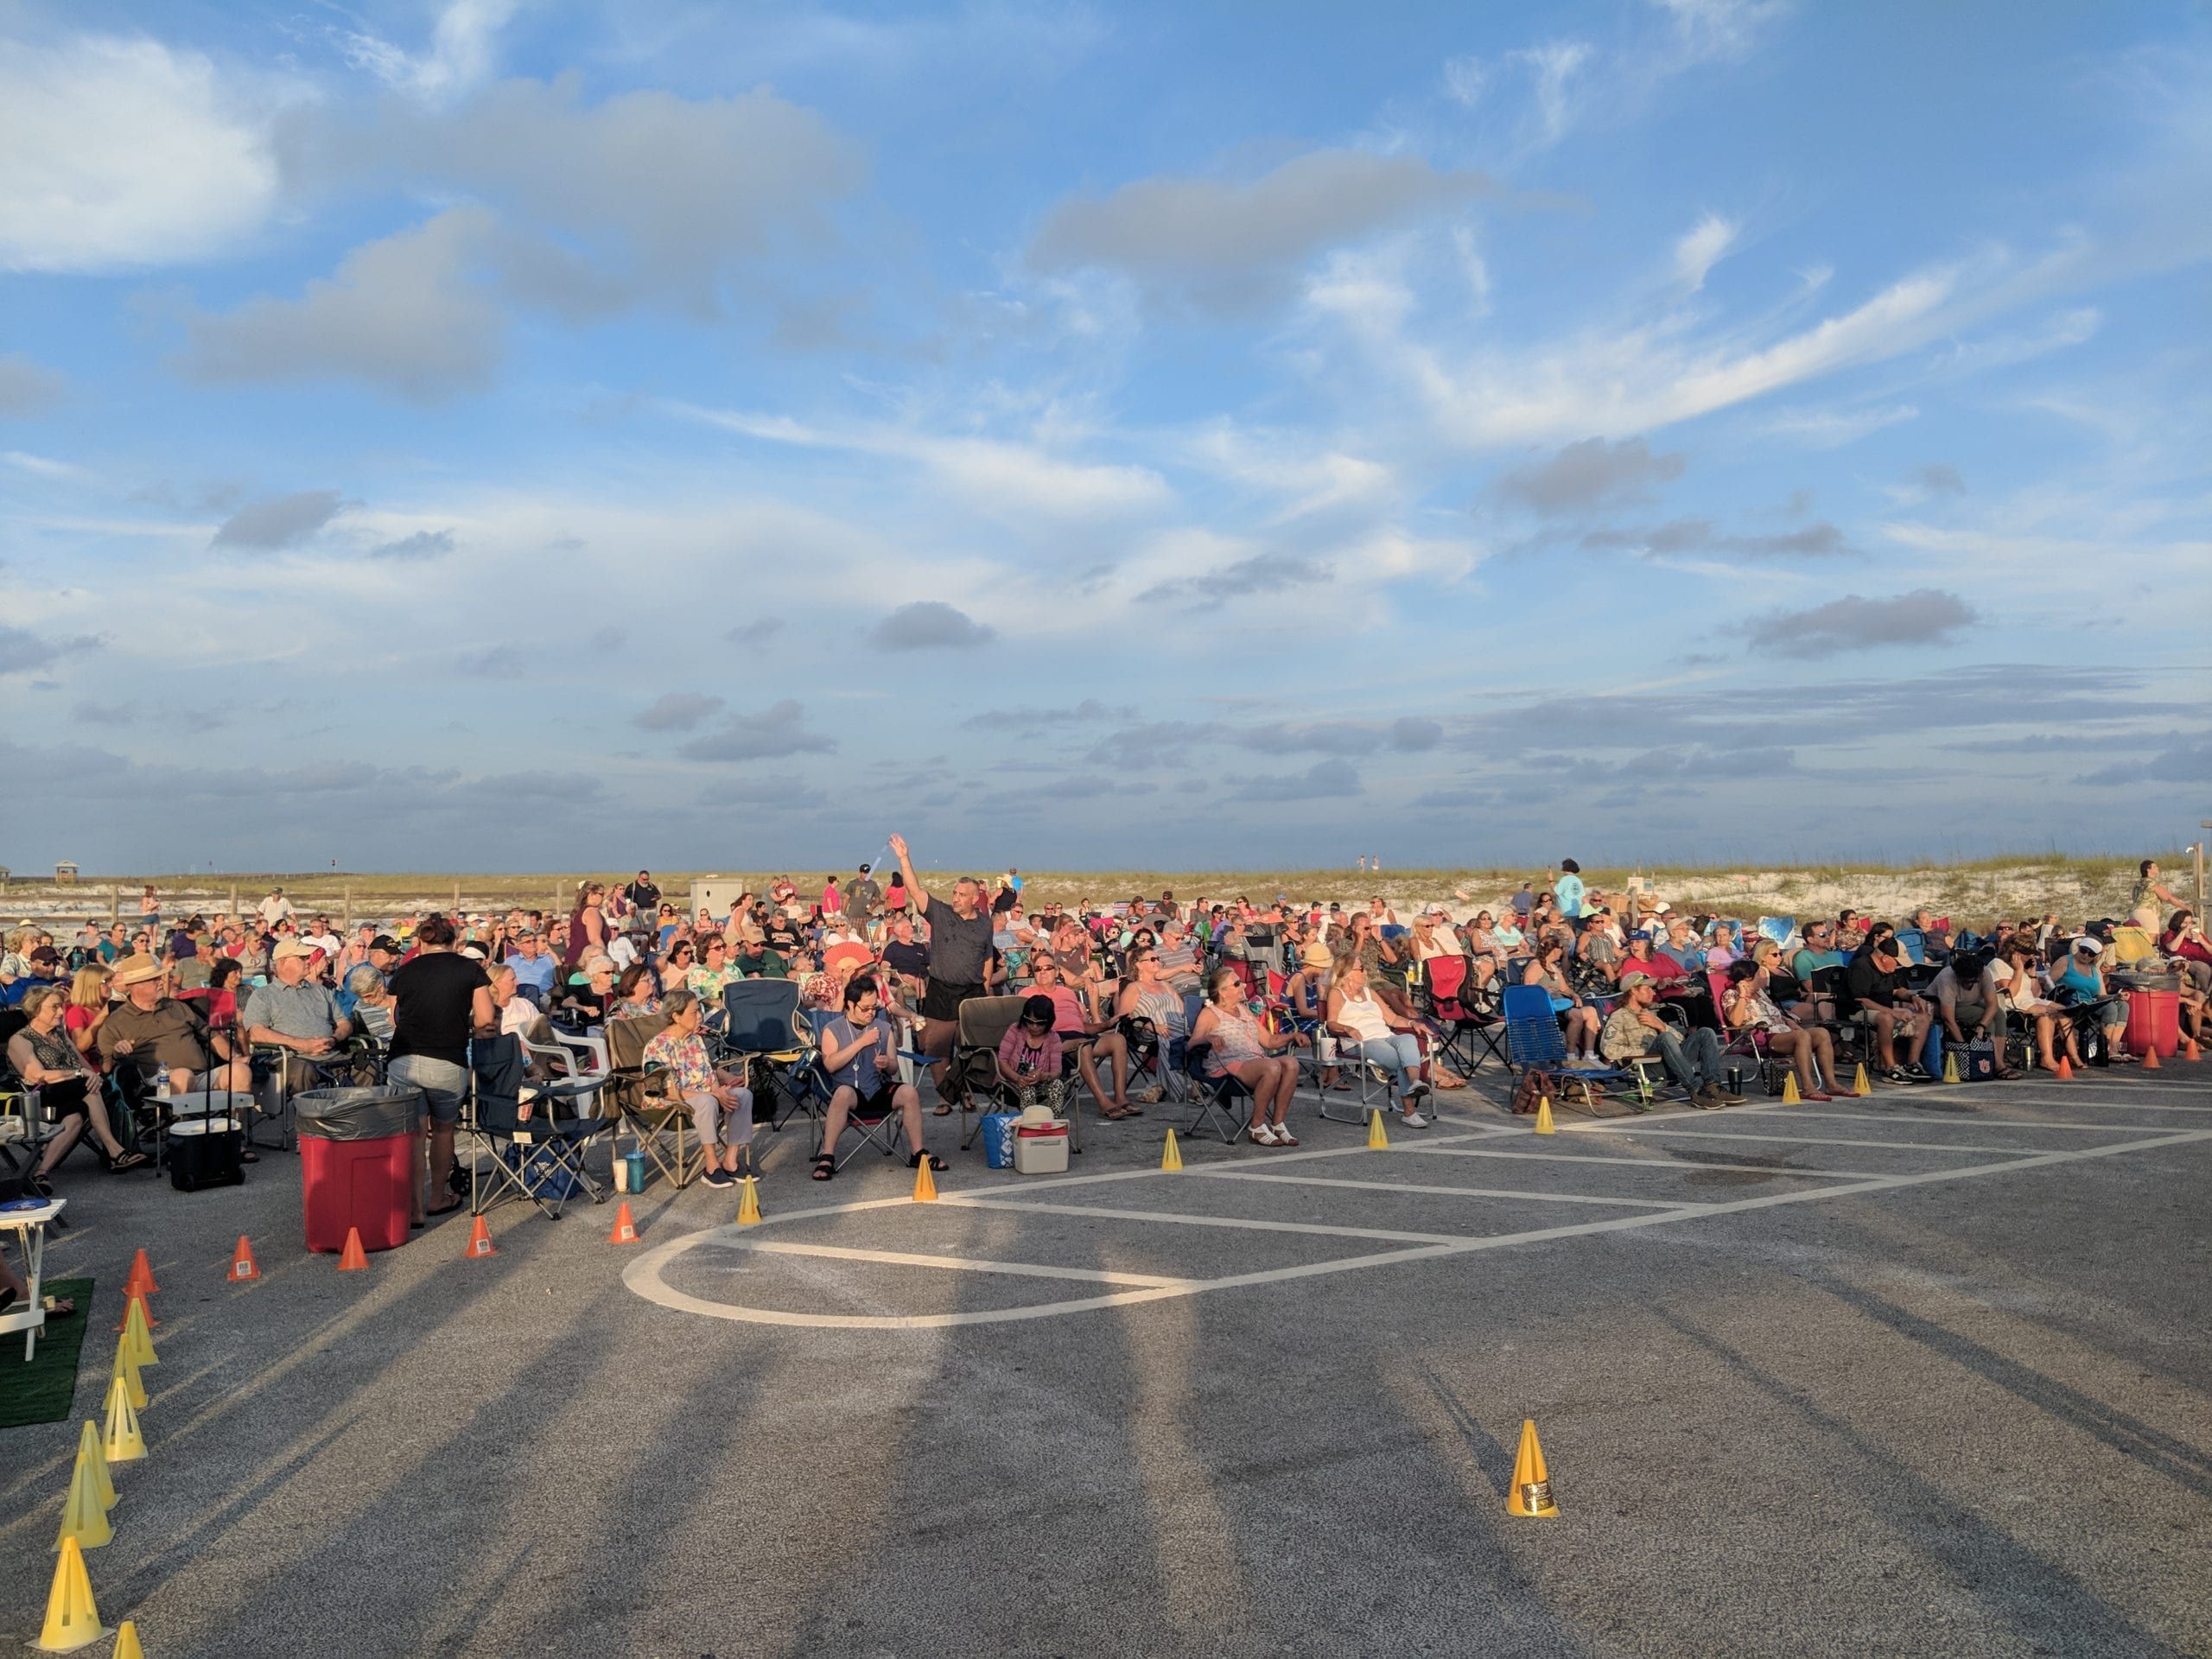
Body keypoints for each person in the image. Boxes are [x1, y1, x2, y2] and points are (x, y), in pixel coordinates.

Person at [385, 915, 494, 1223]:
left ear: (421, 941)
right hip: (447, 1058)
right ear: (455, 941)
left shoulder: (405, 970)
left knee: (415, 1133)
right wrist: (464, 1023)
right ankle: (437, 1197)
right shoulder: (469, 969)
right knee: (444, 1130)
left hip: (404, 1057)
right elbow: (486, 1018)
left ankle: (415, 1208)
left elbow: (395, 1018)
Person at [887, 833, 995, 1099]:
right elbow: (915, 891)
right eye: (954, 893)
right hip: (941, 990)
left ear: (975, 898)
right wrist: (904, 858)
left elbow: (987, 957)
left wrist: (985, 986)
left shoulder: (985, 924)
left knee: (973, 1047)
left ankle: (964, 1093)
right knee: (935, 1046)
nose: (956, 898)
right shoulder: (941, 913)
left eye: (962, 895)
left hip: (972, 991)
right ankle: (945, 1096)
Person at [8, 987, 147, 1186]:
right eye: (55, 1007)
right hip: (39, 1099)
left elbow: (87, 1068)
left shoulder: (60, 1036)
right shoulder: (21, 1039)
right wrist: (80, 1075)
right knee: (87, 1086)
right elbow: (37, 1075)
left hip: (72, 1095)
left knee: (75, 1116)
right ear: (36, 1009)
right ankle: (115, 1151)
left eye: (61, 1006)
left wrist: (94, 1076)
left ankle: (41, 1174)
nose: (61, 1012)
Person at [812, 977, 940, 1179]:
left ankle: (918, 1152)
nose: (871, 1013)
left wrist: (886, 1063)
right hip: (849, 1091)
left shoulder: (883, 1027)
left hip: (877, 1087)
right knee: (843, 1093)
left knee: (909, 1092)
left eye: (874, 1007)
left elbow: (893, 1067)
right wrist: (862, 1042)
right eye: (865, 1008)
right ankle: (827, 1155)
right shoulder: (833, 1029)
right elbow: (830, 1065)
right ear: (850, 1004)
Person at [99, 955, 251, 1102]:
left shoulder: (176, 1007)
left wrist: (235, 1057)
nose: (162, 982)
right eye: (155, 979)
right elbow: (106, 1068)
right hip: (157, 1083)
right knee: (183, 1076)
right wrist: (117, 1053)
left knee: (240, 1071)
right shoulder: (117, 1021)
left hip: (200, 1076)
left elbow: (210, 1035)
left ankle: (234, 1120)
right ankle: (185, 1120)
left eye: (160, 977)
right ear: (135, 986)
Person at [642, 990, 754, 1187]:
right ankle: (711, 1166)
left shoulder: (695, 1040)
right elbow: (666, 1091)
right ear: (676, 1016)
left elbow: (709, 1075)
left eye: (700, 1010)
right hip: (671, 1103)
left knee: (743, 1095)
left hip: (704, 1095)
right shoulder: (658, 1046)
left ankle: (730, 1161)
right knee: (706, 1101)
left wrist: (719, 1091)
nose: (700, 1016)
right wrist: (713, 1094)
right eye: (694, 1012)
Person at [1192, 968, 1304, 1146]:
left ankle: (1277, 1124)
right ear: (1222, 992)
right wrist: (1209, 1038)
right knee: (1272, 1066)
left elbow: (1268, 1041)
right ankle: (1257, 1127)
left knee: (1291, 1063)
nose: (1243, 985)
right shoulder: (1210, 1013)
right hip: (1226, 1068)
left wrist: (1293, 1036)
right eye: (1237, 983)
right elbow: (1191, 1043)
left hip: (1254, 1063)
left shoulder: (1243, 1010)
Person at [1604, 973, 1745, 1107]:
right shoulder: (1619, 1017)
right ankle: (1695, 1091)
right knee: (1665, 1038)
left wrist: (1661, 1026)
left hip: (1670, 1063)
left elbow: (1680, 1040)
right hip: (1645, 1067)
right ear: (1634, 991)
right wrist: (1647, 1052)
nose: (1653, 993)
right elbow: (1609, 1049)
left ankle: (1713, 1086)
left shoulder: (1649, 1014)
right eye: (1648, 989)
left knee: (1706, 1033)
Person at [1325, 955, 1430, 1127]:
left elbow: (1392, 1019)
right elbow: (1331, 1022)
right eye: (1361, 969)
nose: (1365, 972)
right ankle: (1409, 1112)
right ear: (1348, 973)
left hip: (1385, 1035)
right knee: (1400, 1061)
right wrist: (1347, 1028)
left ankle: (1415, 1083)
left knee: (1408, 1038)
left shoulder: (1370, 992)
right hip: (1360, 1042)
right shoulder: (1337, 993)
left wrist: (1412, 1023)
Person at [1720, 960, 1843, 1099]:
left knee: (1822, 1033)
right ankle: (1808, 1087)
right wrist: (1743, 996)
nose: (1763, 978)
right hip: (1762, 1037)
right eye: (1759, 975)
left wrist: (1789, 1020)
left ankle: (1832, 1084)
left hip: (1784, 1032)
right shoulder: (1731, 995)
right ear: (1748, 978)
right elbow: (1736, 1021)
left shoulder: (1760, 993)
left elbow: (1774, 1013)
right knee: (1801, 1036)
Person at [1844, 933, 1933, 1083]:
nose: (1898, 966)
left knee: (1922, 1017)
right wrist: (1892, 1012)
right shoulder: (1861, 966)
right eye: (1897, 962)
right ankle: (1890, 1067)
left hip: (1884, 1009)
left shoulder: (1888, 970)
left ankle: (1912, 1063)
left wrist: (1913, 997)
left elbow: (1897, 990)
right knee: (1886, 1018)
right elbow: (1861, 999)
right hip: (1856, 1010)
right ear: (1885, 958)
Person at [1925, 948, 2023, 1078]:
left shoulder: (1984, 973)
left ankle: (1996, 1061)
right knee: (1985, 1019)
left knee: (1999, 1015)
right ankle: (1996, 1065)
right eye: (1966, 982)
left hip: (1969, 1003)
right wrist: (1962, 1047)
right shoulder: (1947, 977)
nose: (1970, 985)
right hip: (1942, 1006)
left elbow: (1993, 1005)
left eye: (1974, 982)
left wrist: (1981, 1026)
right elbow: (1948, 1018)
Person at [2050, 936, 2131, 1063]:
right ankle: (2104, 1050)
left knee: (2123, 1005)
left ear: (2096, 956)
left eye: (2091, 954)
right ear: (2079, 948)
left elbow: (2101, 995)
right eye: (2083, 950)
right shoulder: (2065, 961)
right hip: (2072, 1004)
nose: (2086, 955)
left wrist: (2116, 997)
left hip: (2090, 1004)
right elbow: (2048, 984)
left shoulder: (2094, 968)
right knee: (2110, 1008)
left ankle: (2113, 1048)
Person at [1523, 938, 1602, 1065]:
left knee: (1591, 1011)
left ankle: (1589, 1054)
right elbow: (1527, 992)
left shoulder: (1552, 967)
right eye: (1562, 949)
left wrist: (1575, 995)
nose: (1563, 951)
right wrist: (1543, 990)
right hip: (1545, 1008)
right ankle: (1570, 1056)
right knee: (1576, 1015)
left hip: (1560, 1004)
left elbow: (1564, 988)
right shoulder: (1535, 966)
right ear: (1555, 950)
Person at [997, 994, 1066, 1110]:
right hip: (1011, 1082)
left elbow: (1057, 1071)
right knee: (1028, 1089)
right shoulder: (1015, 1030)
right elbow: (1002, 1061)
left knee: (1057, 1084)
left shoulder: (1054, 1038)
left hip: (1040, 1084)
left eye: (1040, 1023)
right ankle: (1029, 1121)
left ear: (1049, 1022)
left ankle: (1052, 1119)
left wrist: (1043, 1076)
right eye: (1030, 1021)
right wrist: (1018, 1078)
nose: (1034, 1026)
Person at [505, 927, 556, 1005]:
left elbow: (559, 978)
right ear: (519, 946)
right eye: (528, 942)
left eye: (534, 940)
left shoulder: (547, 958)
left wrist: (553, 954)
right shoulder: (512, 961)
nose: (532, 943)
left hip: (547, 997)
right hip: (523, 998)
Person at [2129, 859, 2183, 933]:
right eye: (2154, 867)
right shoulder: (2153, 883)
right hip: (2147, 913)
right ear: (2148, 870)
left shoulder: (2137, 884)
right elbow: (2168, 898)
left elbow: (2134, 897)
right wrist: (2186, 907)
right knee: (2152, 938)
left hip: (2133, 913)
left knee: (2138, 938)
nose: (2157, 868)